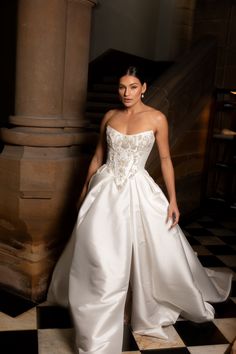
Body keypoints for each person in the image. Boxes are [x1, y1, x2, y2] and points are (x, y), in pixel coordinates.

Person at [47, 66, 232, 354]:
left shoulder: (157, 118)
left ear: (143, 87)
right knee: (100, 251)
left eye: (133, 87)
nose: (126, 93)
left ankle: (137, 302)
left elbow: (167, 159)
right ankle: (101, 306)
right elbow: (98, 156)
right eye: (122, 87)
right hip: (105, 189)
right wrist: (85, 187)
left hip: (138, 190)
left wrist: (173, 199)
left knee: (146, 249)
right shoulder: (110, 116)